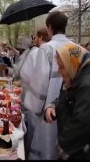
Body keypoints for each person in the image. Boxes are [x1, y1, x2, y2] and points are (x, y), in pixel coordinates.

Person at [45, 43, 90, 160]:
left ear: (71, 64)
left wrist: (63, 145)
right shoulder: (74, 77)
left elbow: (82, 123)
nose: (59, 71)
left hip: (88, 152)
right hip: (77, 149)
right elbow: (67, 100)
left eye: (62, 66)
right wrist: (53, 106)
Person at [24, 11, 72, 160]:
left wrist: (34, 106)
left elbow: (40, 81)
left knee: (47, 143)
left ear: (49, 27)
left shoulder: (47, 48)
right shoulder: (74, 46)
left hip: (48, 106)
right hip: (69, 102)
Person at [19, 27, 51, 159]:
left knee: (34, 131)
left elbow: (25, 74)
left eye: (35, 37)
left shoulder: (37, 51)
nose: (34, 40)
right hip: (49, 98)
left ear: (40, 37)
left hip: (36, 96)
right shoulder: (52, 49)